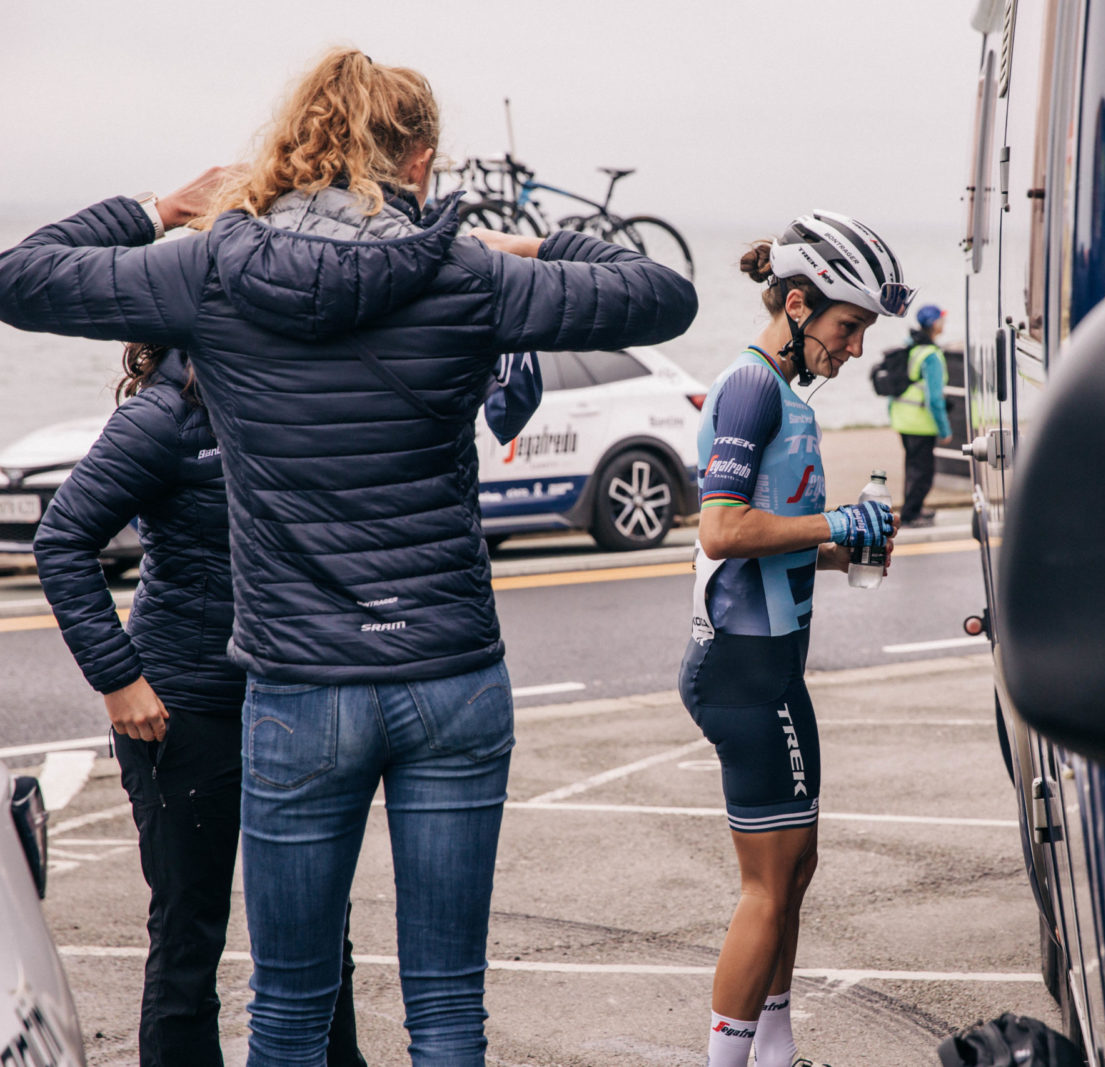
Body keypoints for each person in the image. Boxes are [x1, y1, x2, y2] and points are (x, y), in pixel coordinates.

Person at [0, 48, 696, 1066]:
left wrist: (157, 208)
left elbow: (20, 277)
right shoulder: (467, 273)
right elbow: (661, 293)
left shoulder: (210, 270)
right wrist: (532, 241)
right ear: (417, 163)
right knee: (448, 1010)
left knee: (287, 1009)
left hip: (299, 684)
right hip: (450, 672)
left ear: (297, 149)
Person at [31, 341, 539, 1067]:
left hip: (301, 698)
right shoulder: (162, 420)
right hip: (188, 710)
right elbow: (62, 539)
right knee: (188, 933)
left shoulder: (289, 397)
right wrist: (119, 680)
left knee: (322, 932)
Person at [679, 210, 911, 1067]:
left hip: (774, 664)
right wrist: (832, 521)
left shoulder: (785, 396)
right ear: (800, 304)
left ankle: (775, 1054)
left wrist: (843, 543)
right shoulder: (750, 387)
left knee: (797, 868)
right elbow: (722, 530)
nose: (854, 348)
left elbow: (769, 536)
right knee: (767, 889)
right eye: (848, 327)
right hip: (742, 668)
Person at [888, 304, 952, 528]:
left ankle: (914, 509)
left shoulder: (911, 346)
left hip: (903, 419)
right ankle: (910, 515)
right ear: (934, 324)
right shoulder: (931, 356)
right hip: (920, 423)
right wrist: (944, 429)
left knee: (912, 468)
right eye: (941, 320)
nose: (944, 323)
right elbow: (935, 399)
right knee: (923, 472)